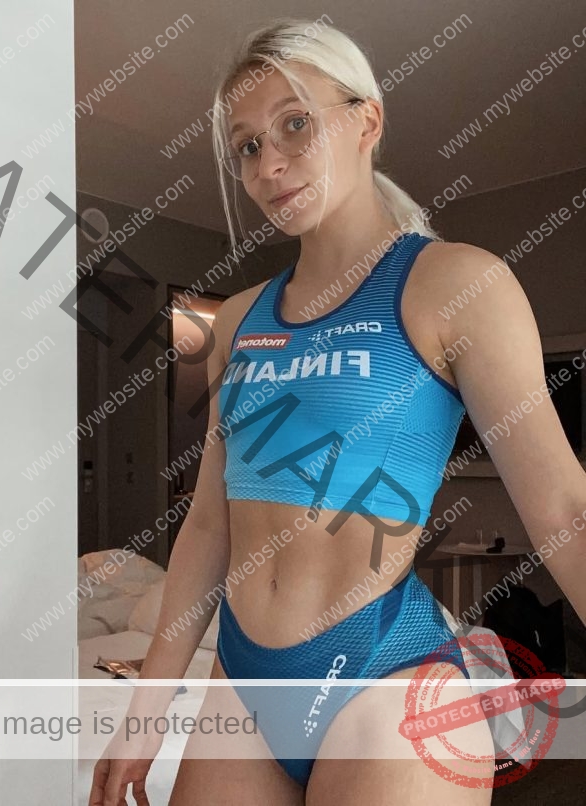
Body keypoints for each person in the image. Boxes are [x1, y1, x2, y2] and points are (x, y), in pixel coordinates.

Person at [89, 17, 586, 806]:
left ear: (367, 120)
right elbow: (210, 525)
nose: (269, 164)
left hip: (386, 675)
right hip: (245, 679)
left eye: (295, 124)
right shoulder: (238, 321)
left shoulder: (456, 284)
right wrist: (146, 711)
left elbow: (563, 507)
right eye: (247, 145)